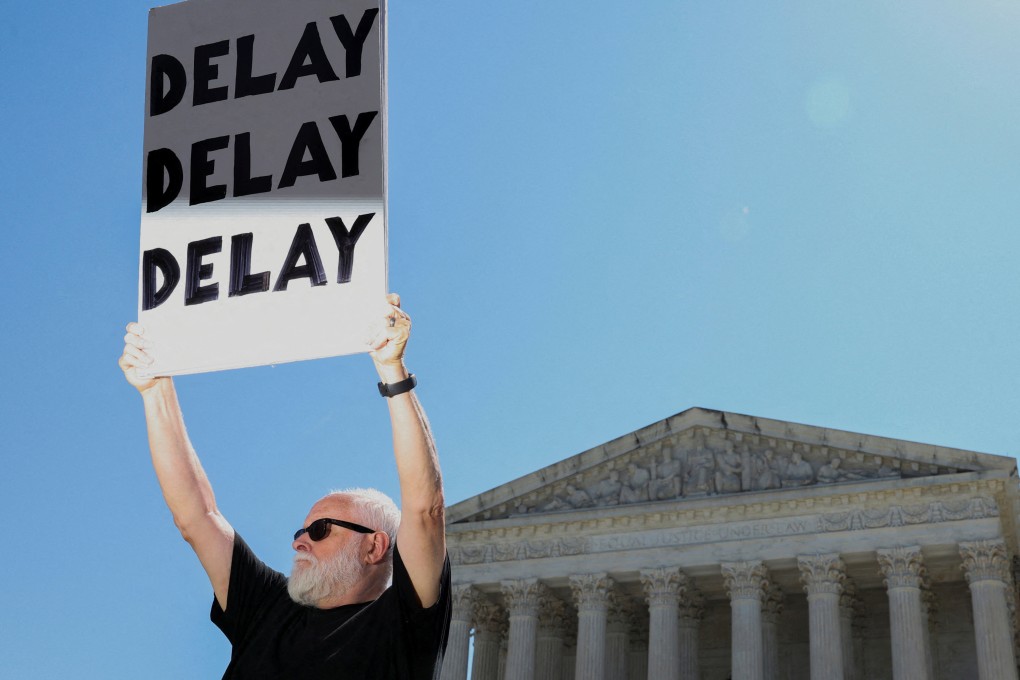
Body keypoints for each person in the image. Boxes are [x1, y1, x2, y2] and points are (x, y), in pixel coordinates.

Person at [118, 294, 451, 679]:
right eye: (301, 531)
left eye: (320, 530)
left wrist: (392, 370)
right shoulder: (266, 608)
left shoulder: (403, 626)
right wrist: (155, 389)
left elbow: (425, 511)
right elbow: (197, 516)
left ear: (374, 546)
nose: (298, 542)